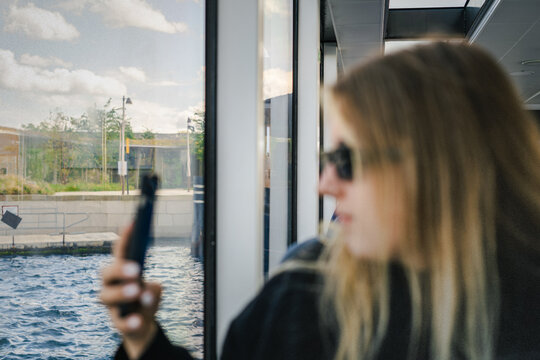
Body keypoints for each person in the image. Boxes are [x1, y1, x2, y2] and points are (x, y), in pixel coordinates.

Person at [100, 42, 540, 359]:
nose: (323, 185)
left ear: (441, 166)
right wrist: (144, 340)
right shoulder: (303, 292)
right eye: (326, 159)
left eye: (347, 160)